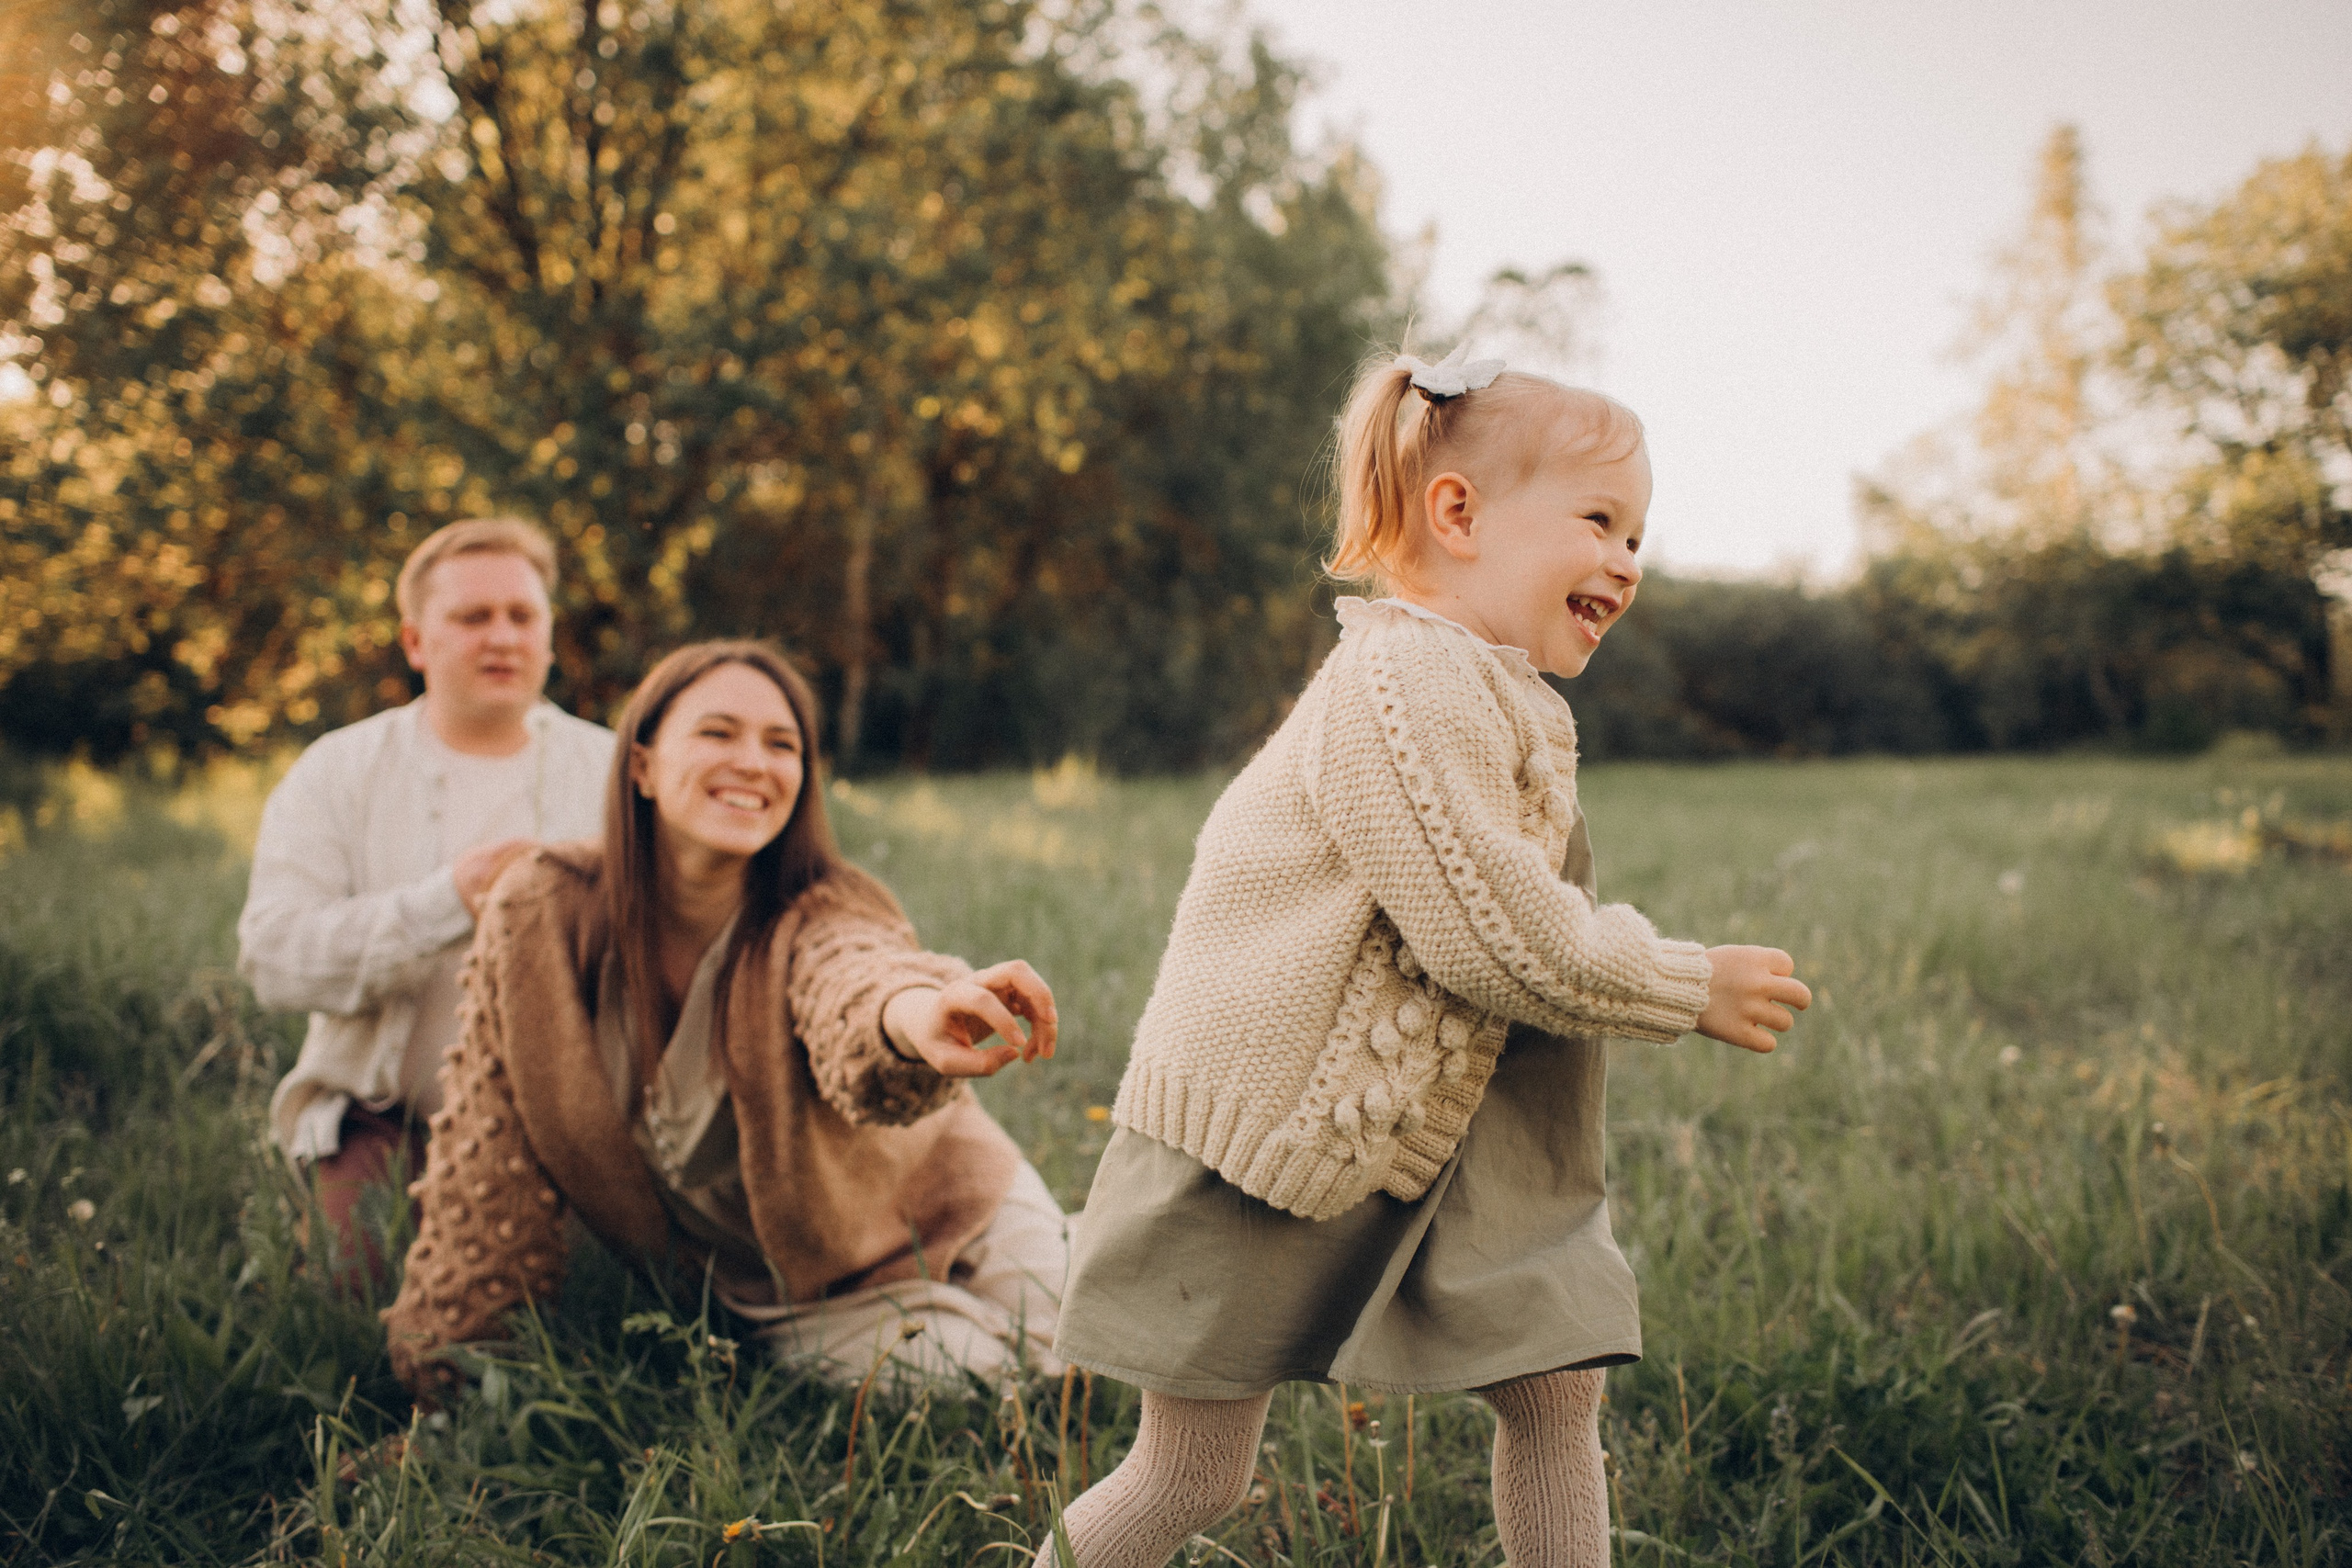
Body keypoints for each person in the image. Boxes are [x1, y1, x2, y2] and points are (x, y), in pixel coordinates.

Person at [1044, 347, 1814, 1567]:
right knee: (1194, 1468)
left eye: (1640, 536)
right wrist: (1686, 981)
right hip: (1280, 1131)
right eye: (1601, 521)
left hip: (1455, 1134)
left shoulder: (1491, 686)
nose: (1627, 560)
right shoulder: (1401, 677)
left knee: (1558, 1387)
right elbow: (1491, 927)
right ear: (1458, 513)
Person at [381, 640, 1069, 1396]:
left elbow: (855, 977)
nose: (753, 761)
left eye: (782, 745)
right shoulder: (541, 911)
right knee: (980, 1380)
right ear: (640, 764)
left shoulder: (821, 906)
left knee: (1088, 1347)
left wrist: (916, 1015)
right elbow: (487, 1158)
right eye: (718, 733)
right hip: (798, 1288)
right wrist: (444, 1386)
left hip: (952, 1191)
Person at [239, 517, 614, 1282]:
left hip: (580, 1118)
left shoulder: (612, 769)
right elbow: (272, 957)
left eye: (522, 615)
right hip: (391, 1115)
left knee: (594, 1297)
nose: (502, 637)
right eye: (473, 617)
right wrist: (448, 900)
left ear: (548, 634)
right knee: (362, 1289)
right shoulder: (336, 771)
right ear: (416, 642)